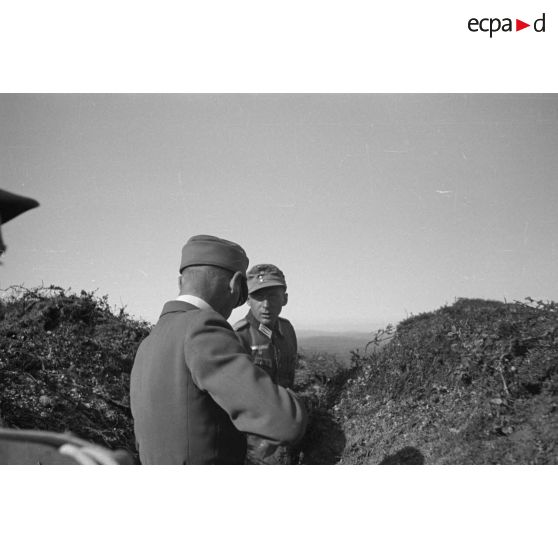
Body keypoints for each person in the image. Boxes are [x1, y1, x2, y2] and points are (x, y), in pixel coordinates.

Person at [129, 235, 307, 465]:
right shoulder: (203, 328)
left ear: (180, 283)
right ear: (234, 285)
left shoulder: (148, 343)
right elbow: (286, 422)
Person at [233, 263, 299, 464]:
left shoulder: (287, 331)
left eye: (272, 296)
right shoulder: (239, 336)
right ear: (247, 300)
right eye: (259, 297)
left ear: (285, 299)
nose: (266, 304)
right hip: (254, 448)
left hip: (289, 437)